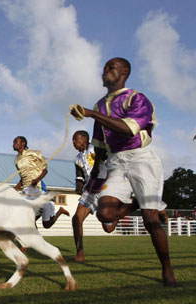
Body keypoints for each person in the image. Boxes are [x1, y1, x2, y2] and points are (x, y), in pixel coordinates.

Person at [70, 57, 177, 286]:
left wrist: (91, 114)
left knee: (150, 221)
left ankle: (167, 270)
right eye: (105, 68)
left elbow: (130, 129)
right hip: (115, 162)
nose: (105, 71)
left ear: (124, 72)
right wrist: (97, 173)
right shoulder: (100, 105)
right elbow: (99, 143)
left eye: (111, 68)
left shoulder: (137, 98)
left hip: (141, 159)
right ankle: (138, 203)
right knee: (104, 214)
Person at [70, 130, 107, 261]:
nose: (73, 142)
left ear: (85, 139)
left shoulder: (96, 148)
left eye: (76, 139)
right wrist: (79, 186)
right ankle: (79, 253)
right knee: (76, 219)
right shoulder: (77, 159)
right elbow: (79, 177)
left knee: (108, 227)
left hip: (104, 187)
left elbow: (107, 158)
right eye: (73, 140)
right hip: (89, 190)